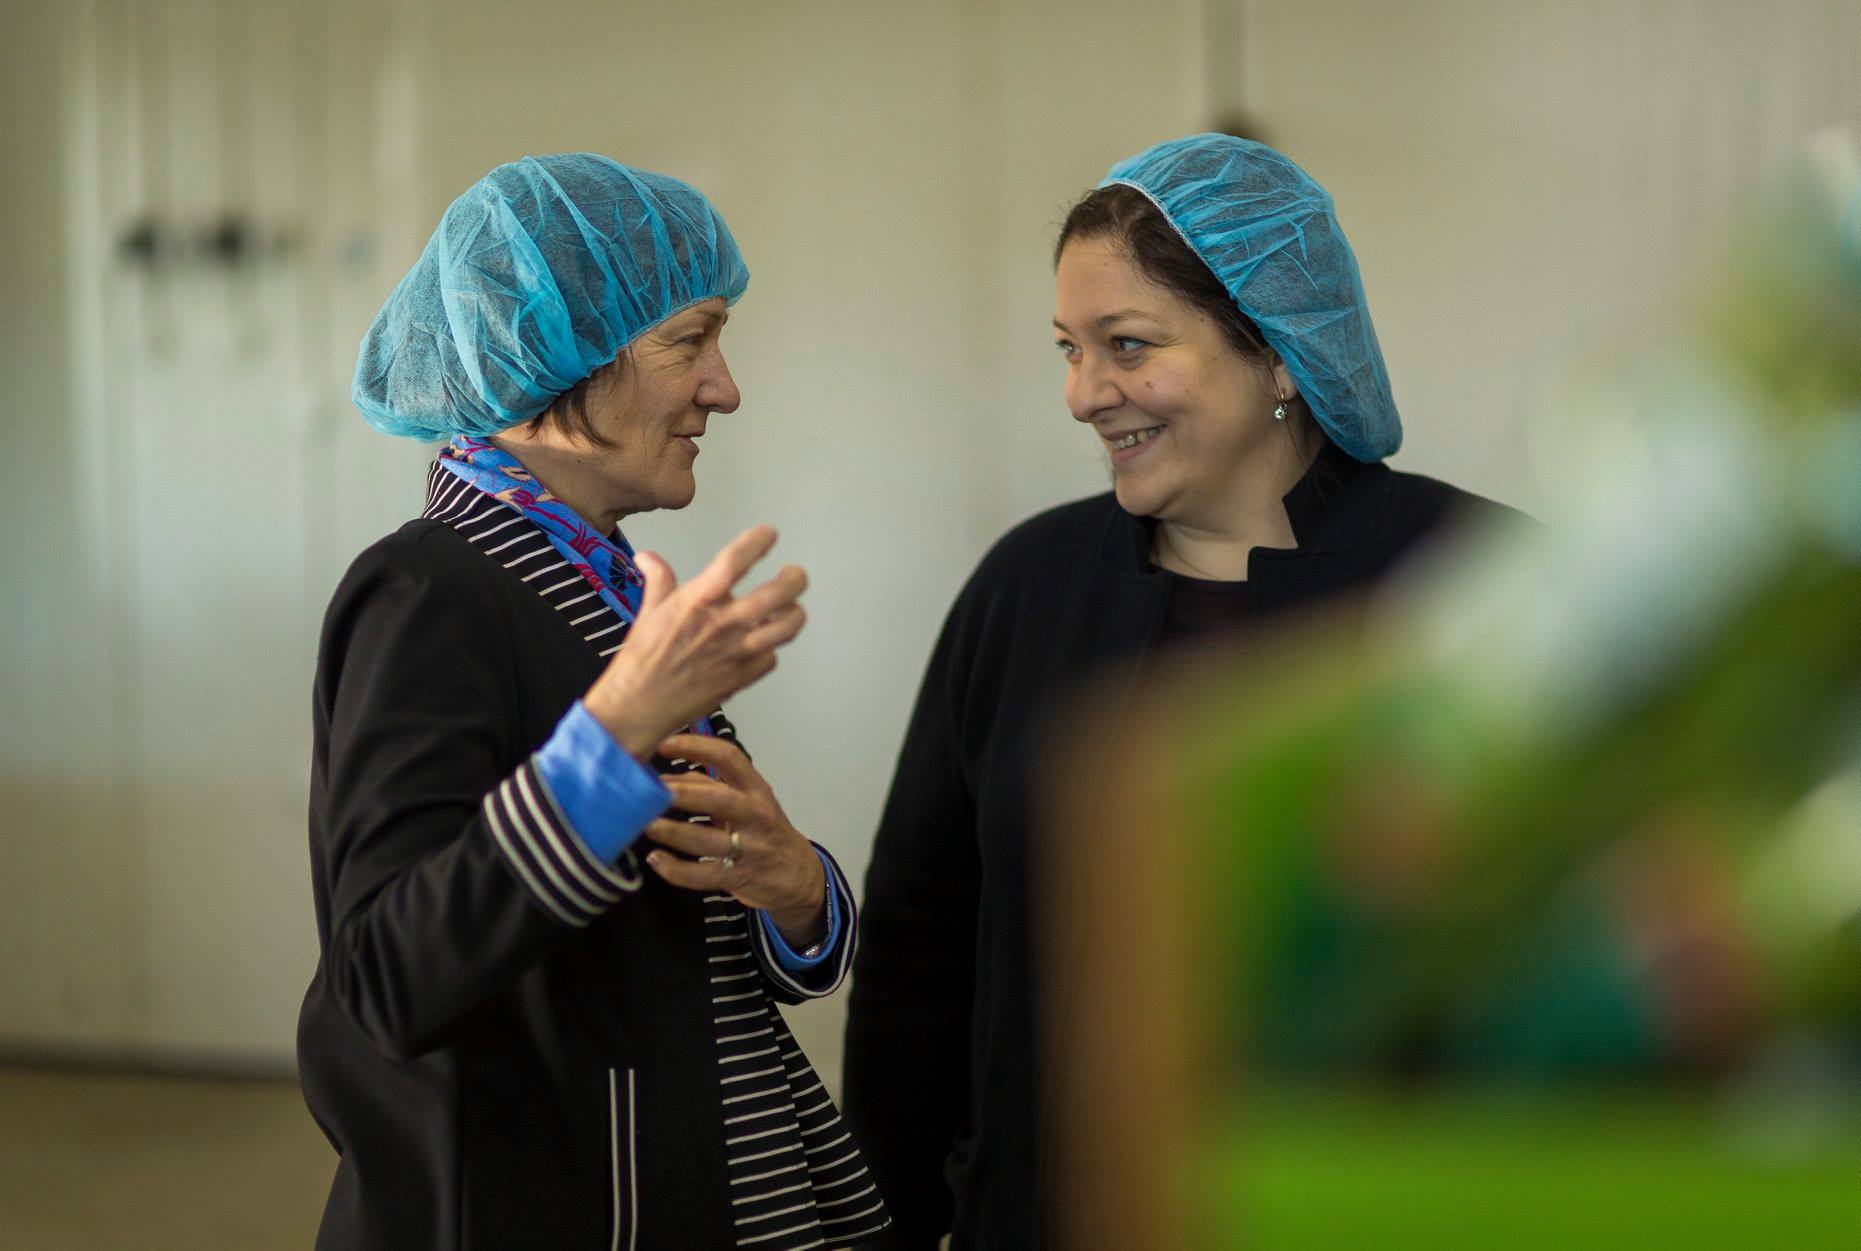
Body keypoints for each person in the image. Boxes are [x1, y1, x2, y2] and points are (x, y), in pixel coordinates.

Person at [842, 133, 1523, 1248]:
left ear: (1280, 353)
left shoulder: (1476, 585)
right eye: (1068, 349)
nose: (1082, 394)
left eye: (1127, 344)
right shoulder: (1027, 589)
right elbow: (920, 956)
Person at [300, 154, 888, 1250]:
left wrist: (796, 890)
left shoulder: (600, 584)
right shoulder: (428, 590)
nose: (724, 387)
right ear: (558, 346)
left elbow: (676, 933)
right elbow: (383, 979)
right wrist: (617, 733)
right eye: (689, 340)